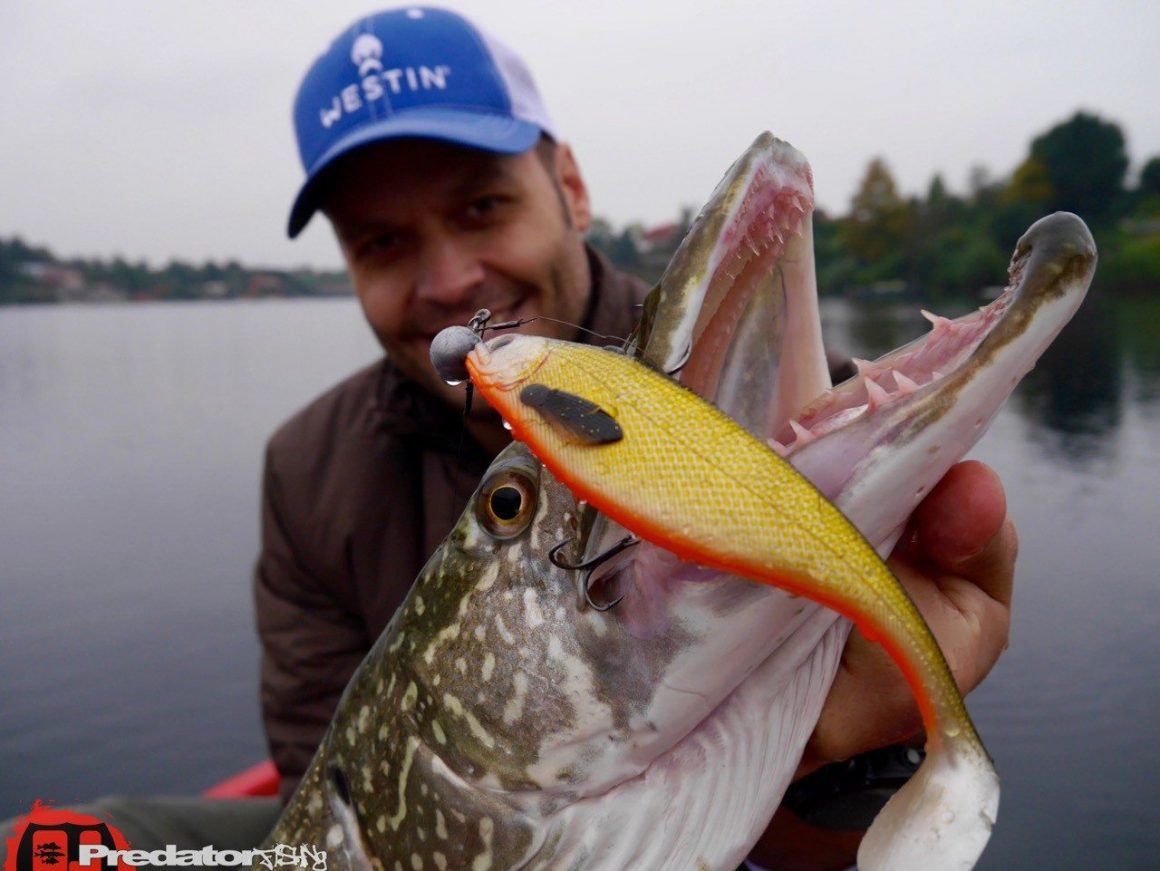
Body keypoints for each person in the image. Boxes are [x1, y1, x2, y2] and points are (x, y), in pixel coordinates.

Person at [256, 7, 1017, 870]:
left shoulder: (801, 397)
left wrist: (856, 759)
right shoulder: (304, 472)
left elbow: (843, 848)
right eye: (383, 241)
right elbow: (320, 789)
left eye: (481, 205)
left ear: (571, 187)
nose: (449, 279)